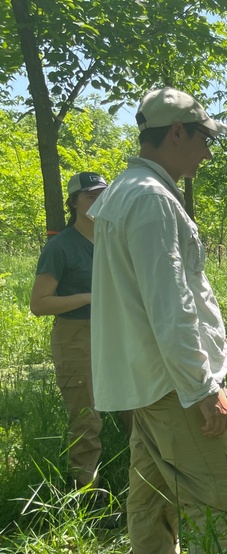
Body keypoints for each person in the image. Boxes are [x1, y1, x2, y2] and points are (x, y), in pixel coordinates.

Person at [89, 88, 227, 554]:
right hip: (172, 384)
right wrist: (204, 388)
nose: (208, 152)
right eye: (204, 138)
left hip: (142, 380)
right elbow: (171, 303)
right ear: (177, 133)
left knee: (152, 495)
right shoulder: (153, 201)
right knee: (222, 498)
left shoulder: (122, 194)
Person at [29, 172, 109, 489]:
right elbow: (40, 303)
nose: (98, 201)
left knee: (135, 409)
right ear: (73, 202)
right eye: (90, 196)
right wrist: (92, 296)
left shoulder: (114, 239)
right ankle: (88, 496)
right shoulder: (60, 247)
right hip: (76, 337)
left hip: (115, 335)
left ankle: (143, 488)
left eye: (103, 194)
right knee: (86, 419)